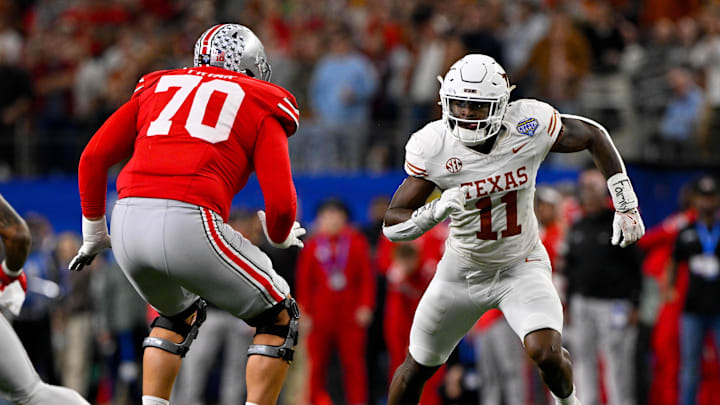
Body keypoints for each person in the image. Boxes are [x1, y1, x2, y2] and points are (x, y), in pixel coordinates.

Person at [381, 54, 646, 405]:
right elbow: (392, 224)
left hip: (520, 265)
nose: (464, 114)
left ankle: (570, 403)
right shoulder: (434, 146)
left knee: (547, 353)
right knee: (417, 367)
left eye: (476, 107)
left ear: (500, 105)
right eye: (458, 104)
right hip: (461, 272)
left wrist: (626, 203)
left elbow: (593, 135)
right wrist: (436, 209)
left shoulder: (528, 124)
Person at [69, 24, 306, 405]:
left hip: (126, 222)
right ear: (251, 66)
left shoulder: (158, 86)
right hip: (191, 219)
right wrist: (279, 234)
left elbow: (93, 158)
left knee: (175, 315)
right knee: (280, 316)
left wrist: (94, 232)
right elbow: (280, 204)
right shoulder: (260, 98)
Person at [0, 194, 89, 405]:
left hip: (36, 318)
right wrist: (9, 276)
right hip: (22, 314)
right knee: (31, 392)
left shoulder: (47, 259)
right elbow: (18, 235)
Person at [565, 169, 643, 405]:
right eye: (584, 189)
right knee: (583, 360)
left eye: (592, 188)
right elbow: (571, 267)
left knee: (616, 361)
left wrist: (635, 302)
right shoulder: (577, 225)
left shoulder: (619, 221)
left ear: (604, 191)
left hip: (614, 303)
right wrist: (568, 302)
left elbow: (636, 266)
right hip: (582, 303)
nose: (588, 194)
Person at [295, 199, 375, 405]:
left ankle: (358, 402)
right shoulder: (312, 244)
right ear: (320, 219)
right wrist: (303, 312)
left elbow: (366, 278)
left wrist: (366, 306)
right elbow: (304, 282)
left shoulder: (356, 242)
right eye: (327, 215)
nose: (332, 220)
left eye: (336, 215)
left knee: (354, 366)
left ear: (345, 219)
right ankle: (314, 401)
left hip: (350, 314)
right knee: (316, 366)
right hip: (320, 314)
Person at [665, 175, 720, 405]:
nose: (707, 203)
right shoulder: (686, 230)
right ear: (695, 200)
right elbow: (674, 261)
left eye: (711, 197)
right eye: (703, 198)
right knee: (689, 368)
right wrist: (669, 288)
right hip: (693, 308)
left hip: (719, 307)